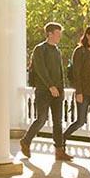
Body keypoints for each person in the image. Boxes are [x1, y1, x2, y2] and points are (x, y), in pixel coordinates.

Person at [20, 22, 72, 162]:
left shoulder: (57, 50)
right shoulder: (40, 49)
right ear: (50, 33)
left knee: (58, 122)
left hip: (57, 92)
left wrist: (61, 88)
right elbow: (41, 70)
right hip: (44, 91)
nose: (59, 36)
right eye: (58, 33)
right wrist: (50, 86)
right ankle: (26, 141)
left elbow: (59, 72)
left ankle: (59, 151)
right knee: (42, 119)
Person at [64, 25, 90, 158]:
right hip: (83, 91)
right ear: (87, 35)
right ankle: (62, 139)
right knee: (80, 121)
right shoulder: (80, 51)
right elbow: (76, 74)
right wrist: (79, 92)